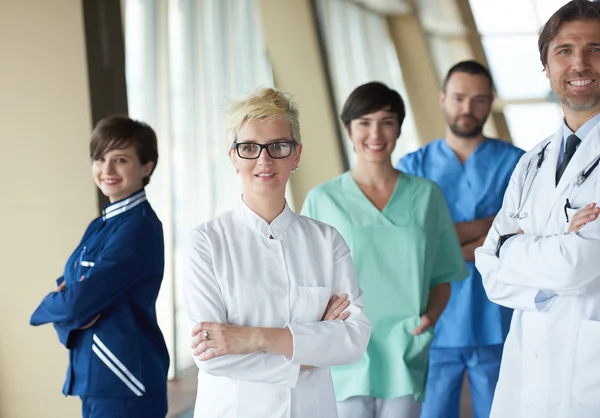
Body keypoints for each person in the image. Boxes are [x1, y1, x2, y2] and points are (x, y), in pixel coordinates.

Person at [183, 87, 371, 418]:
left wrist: (249, 337)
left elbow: (353, 339)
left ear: (296, 155)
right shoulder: (206, 242)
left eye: (278, 146)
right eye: (250, 147)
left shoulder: (327, 241)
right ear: (233, 156)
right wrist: (310, 348)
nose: (264, 159)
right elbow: (212, 354)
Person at [301, 81, 468, 418]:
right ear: (349, 129)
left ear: (398, 128)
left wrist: (429, 318)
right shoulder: (323, 200)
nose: (375, 133)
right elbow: (304, 279)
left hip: (403, 347)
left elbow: (444, 273)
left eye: (386, 121)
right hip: (344, 348)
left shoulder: (426, 196)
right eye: (364, 122)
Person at [475, 1, 600, 417]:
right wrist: (556, 245)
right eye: (564, 50)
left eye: (595, 49)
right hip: (528, 375)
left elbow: (577, 264)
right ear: (546, 67)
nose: (579, 63)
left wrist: (516, 249)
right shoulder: (533, 161)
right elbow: (488, 269)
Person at [397, 61, 524, 418]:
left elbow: (521, 234)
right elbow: (413, 240)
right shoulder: (413, 165)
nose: (467, 109)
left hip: (496, 313)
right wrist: (489, 228)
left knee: (500, 410)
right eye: (459, 98)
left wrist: (441, 240)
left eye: (478, 100)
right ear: (442, 98)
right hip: (435, 315)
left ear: (490, 102)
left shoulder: (519, 163)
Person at [30, 116, 170, 417]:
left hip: (124, 380)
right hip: (98, 376)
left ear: (147, 167)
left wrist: (51, 307)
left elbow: (77, 302)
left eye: (120, 159)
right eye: (99, 158)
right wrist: (71, 307)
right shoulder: (102, 224)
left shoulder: (138, 228)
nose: (106, 170)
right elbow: (71, 291)